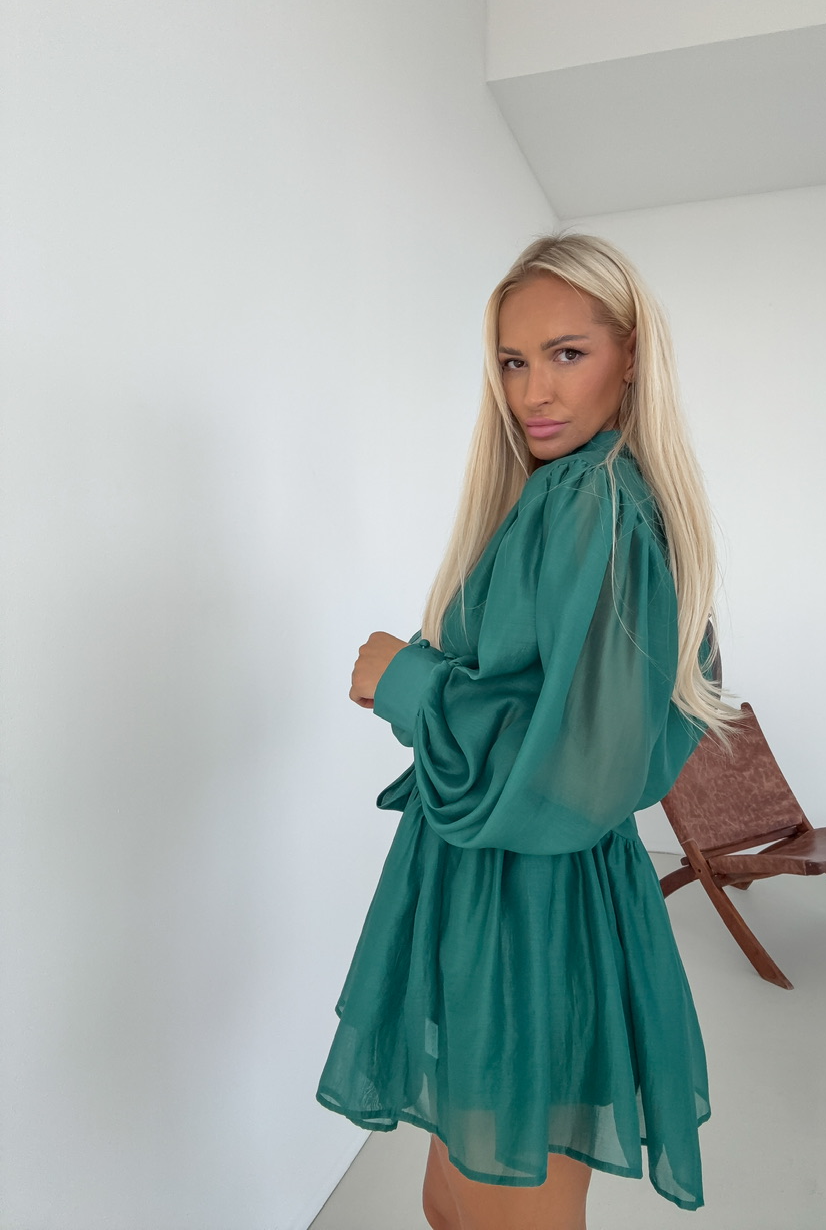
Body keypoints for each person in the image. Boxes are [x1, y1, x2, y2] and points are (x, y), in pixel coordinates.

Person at [316, 232, 740, 1230]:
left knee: (501, 1207)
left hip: (531, 905)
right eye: (513, 361)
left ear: (630, 355)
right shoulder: (555, 495)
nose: (533, 391)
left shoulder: (595, 500)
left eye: (566, 353)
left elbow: (585, 766)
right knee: (451, 1200)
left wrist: (408, 681)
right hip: (489, 892)